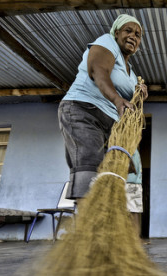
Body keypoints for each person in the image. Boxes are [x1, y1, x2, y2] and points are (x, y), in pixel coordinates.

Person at [58, 14, 148, 199]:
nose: (133, 36)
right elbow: (97, 69)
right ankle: (87, 220)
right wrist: (116, 99)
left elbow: (130, 107)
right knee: (92, 161)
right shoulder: (107, 42)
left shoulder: (132, 75)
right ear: (116, 33)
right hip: (84, 110)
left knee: (126, 168)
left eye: (138, 35)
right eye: (128, 30)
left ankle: (117, 216)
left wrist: (139, 97)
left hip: (111, 126)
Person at [126, 149, 143, 236]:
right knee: (134, 212)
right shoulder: (135, 151)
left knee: (132, 213)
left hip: (128, 183)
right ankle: (135, 239)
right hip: (136, 184)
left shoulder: (128, 149)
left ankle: (134, 239)